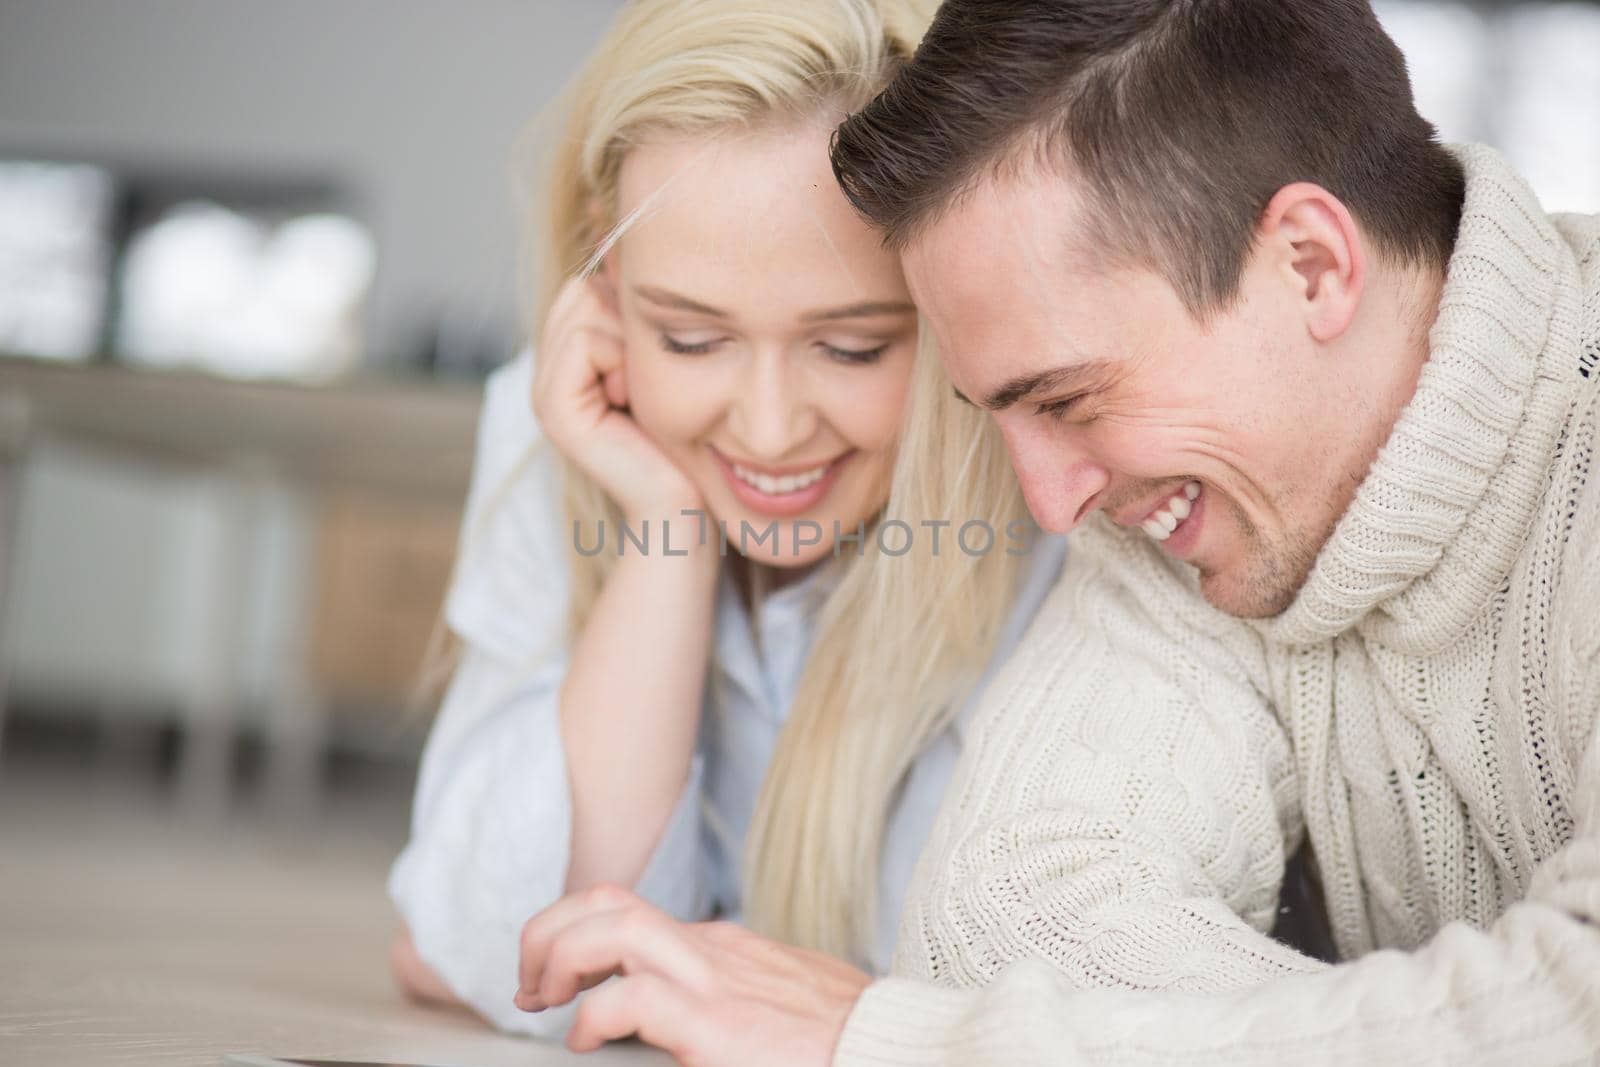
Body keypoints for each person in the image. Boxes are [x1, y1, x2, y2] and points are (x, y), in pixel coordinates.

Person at [510, 1, 1600, 1064]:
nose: (1048, 504)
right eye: (1002, 414)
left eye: (1070, 400)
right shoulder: (1201, 517)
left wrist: (889, 1042)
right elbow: (1002, 921)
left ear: (1311, 264)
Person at [385, 0, 1068, 1039]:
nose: (767, 427)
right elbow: (522, 954)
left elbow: (1016, 975)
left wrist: (644, 950)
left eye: (850, 348)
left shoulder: (1053, 486)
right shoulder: (561, 415)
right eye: (691, 339)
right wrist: (665, 529)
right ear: (604, 287)